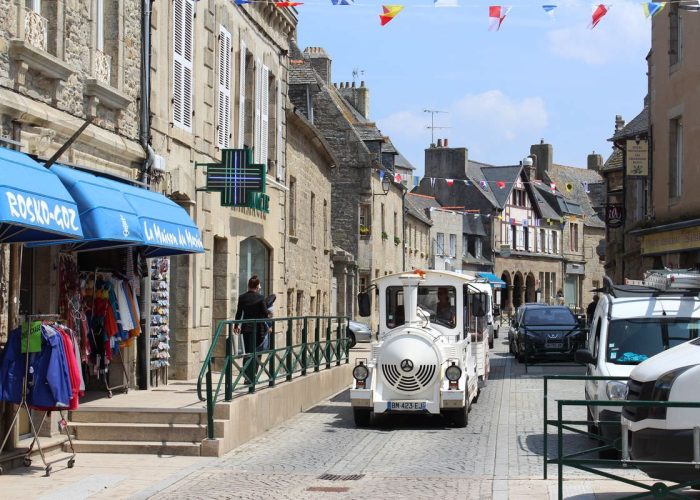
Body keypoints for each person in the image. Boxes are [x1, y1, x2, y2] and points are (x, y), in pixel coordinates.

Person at [234, 275, 268, 384]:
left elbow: (239, 313)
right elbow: (264, 314)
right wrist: (270, 324)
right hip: (258, 329)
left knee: (247, 352)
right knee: (257, 352)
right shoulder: (261, 298)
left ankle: (246, 376)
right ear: (257, 286)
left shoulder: (242, 297)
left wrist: (236, 326)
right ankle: (253, 376)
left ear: (248, 286)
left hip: (246, 328)